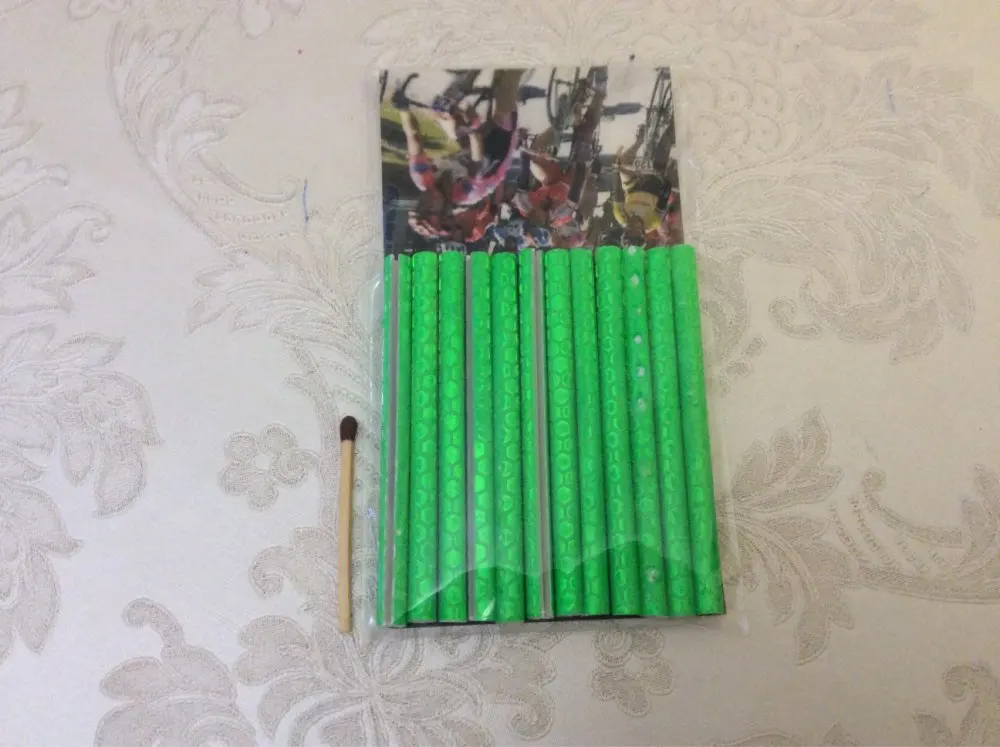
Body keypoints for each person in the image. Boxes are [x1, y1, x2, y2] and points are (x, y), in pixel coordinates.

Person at [394, 69, 524, 233]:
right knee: (506, 87)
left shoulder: (422, 179)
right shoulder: (467, 194)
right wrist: (472, 130)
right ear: (445, 211)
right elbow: (478, 162)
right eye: (429, 207)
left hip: (467, 153)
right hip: (494, 156)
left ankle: (467, 78)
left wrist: (403, 109)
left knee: (441, 111)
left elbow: (414, 137)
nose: (425, 200)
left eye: (420, 204)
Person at [611, 121, 678, 240]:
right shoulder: (653, 222)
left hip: (633, 188)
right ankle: (672, 126)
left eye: (629, 227)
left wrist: (617, 169)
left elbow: (617, 191)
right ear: (642, 231)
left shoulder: (620, 215)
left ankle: (639, 140)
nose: (633, 224)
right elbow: (663, 199)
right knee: (663, 150)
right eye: (637, 228)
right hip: (654, 190)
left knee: (622, 163)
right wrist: (667, 181)